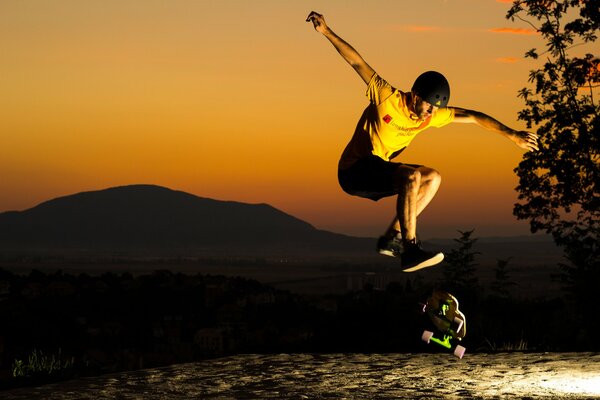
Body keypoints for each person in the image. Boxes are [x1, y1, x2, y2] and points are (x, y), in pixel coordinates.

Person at [306, 11, 539, 272]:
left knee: (431, 177)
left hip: (377, 170)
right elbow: (357, 62)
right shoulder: (386, 96)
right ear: (415, 96)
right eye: (428, 107)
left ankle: (391, 239)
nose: (429, 115)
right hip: (353, 171)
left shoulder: (430, 116)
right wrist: (326, 31)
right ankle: (411, 249)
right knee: (410, 176)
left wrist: (512, 135)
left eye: (434, 110)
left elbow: (473, 116)